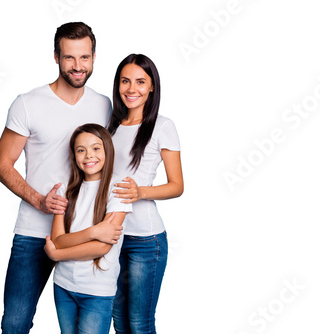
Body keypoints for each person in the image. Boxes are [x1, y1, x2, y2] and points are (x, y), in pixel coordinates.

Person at [0, 22, 115, 334]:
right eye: (70, 58)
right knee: (15, 324)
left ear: (94, 57)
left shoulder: (103, 105)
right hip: (35, 231)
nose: (78, 66)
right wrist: (39, 200)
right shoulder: (28, 103)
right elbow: (2, 164)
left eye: (84, 58)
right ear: (56, 57)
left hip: (85, 233)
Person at [109, 54, 184, 333]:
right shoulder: (111, 125)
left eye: (140, 82)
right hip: (111, 236)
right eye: (125, 81)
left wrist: (141, 192)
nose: (132, 89)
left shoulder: (163, 126)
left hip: (145, 240)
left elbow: (177, 185)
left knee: (140, 323)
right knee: (119, 318)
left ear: (152, 87)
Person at [44, 123, 132, 334]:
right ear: (74, 156)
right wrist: (93, 232)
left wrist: (57, 254)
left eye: (95, 148)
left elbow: (101, 248)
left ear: (107, 151)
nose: (88, 155)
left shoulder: (118, 189)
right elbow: (57, 240)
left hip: (96, 291)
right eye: (80, 150)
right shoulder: (65, 188)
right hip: (63, 285)